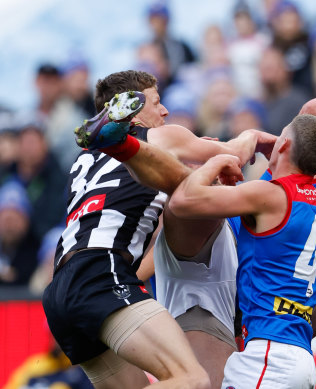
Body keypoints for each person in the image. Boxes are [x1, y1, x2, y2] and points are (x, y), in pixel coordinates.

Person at [80, 104, 316, 389]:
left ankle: (122, 145)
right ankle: (121, 144)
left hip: (267, 354)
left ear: (284, 145)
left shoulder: (269, 194)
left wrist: (215, 162)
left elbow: (184, 200)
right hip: (300, 356)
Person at [42, 70, 275, 389]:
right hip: (102, 272)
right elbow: (233, 153)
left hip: (59, 289)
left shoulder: (83, 160)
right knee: (192, 380)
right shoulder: (159, 136)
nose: (164, 111)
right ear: (132, 108)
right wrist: (255, 136)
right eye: (156, 102)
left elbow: (136, 216)